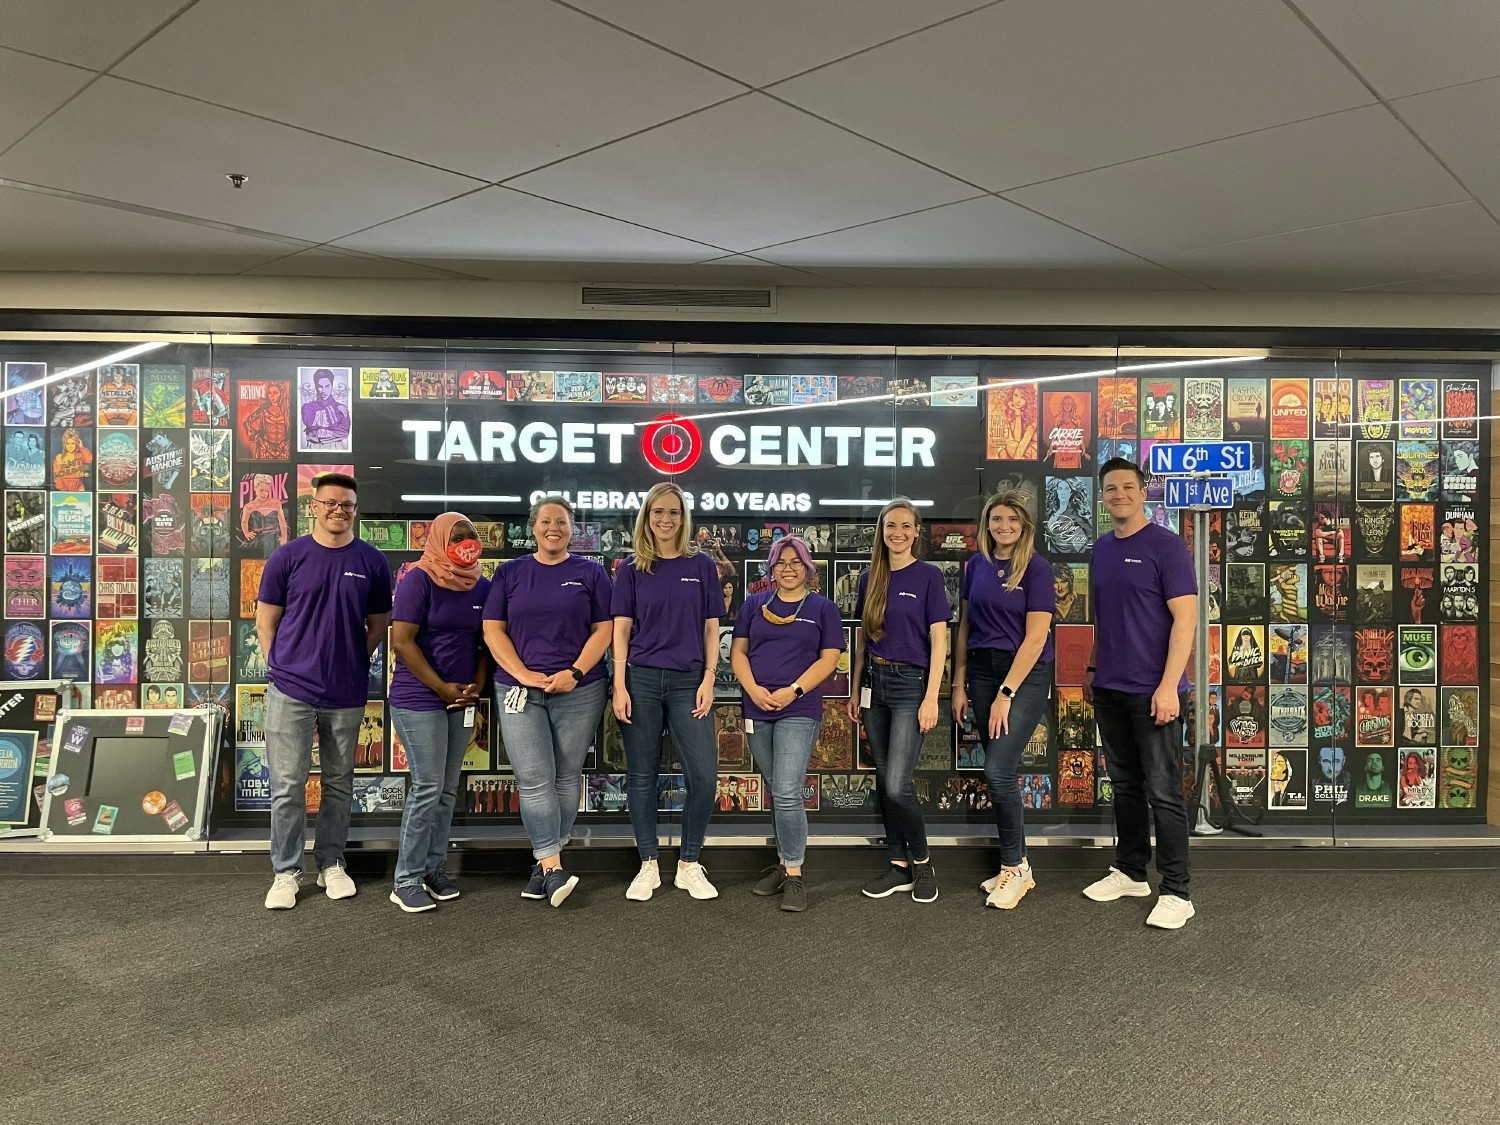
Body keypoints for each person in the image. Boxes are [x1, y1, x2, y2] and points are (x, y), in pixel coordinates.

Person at [257, 472, 392, 910]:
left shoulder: (371, 561)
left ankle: (332, 862)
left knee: (338, 783)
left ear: (355, 510)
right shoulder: (288, 556)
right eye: (330, 503)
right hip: (291, 689)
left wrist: (355, 657)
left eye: (347, 505)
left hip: (347, 690)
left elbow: (378, 623)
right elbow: (266, 620)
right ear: (314, 506)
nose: (339, 510)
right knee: (288, 785)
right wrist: (279, 666)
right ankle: (286, 872)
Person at [1082, 457, 1198, 930]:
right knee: (1126, 786)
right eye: (1111, 489)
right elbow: (1105, 618)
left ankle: (1177, 891)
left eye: (1127, 487)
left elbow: (1185, 620)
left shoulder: (1167, 547)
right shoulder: (1101, 548)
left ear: (1143, 492)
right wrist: (1092, 668)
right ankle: (1131, 871)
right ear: (1103, 496)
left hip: (1156, 692)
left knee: (1165, 793)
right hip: (1110, 686)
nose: (1119, 495)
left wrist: (1169, 685)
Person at [483, 495, 611, 908]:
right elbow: (492, 630)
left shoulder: (591, 573)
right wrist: (523, 674)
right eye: (545, 521)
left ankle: (542, 866)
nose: (553, 528)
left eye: (562, 522)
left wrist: (573, 673)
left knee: (565, 777)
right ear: (532, 527)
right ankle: (554, 868)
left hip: (581, 688)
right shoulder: (510, 573)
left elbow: (604, 630)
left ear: (572, 529)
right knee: (535, 778)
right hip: (519, 689)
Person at [610, 482, 726, 903]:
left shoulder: (703, 565)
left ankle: (689, 864)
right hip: (640, 679)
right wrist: (619, 684)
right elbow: (620, 629)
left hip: (688, 682)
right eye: (658, 511)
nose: (665, 519)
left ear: (684, 517)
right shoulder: (631, 568)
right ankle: (648, 865)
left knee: (704, 776)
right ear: (646, 516)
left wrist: (710, 678)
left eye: (674, 512)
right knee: (642, 776)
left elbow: (712, 627)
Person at [950, 492, 1055, 910]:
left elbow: (1035, 639)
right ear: (986, 523)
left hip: (1023, 674)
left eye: (1012, 519)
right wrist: (958, 684)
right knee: (1003, 773)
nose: (1004, 526)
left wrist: (1006, 694)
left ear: (1024, 524)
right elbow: (964, 628)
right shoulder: (974, 565)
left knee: (997, 769)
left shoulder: (1037, 568)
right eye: (996, 519)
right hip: (979, 670)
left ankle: (1012, 867)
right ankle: (1019, 867)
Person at [731, 535, 844, 912]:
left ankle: (794, 875)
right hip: (758, 707)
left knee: (786, 790)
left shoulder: (823, 608)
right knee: (775, 787)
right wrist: (754, 690)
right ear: (771, 568)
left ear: (808, 567)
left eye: (796, 562)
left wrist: (792, 691)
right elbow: (739, 653)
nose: (789, 569)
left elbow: (829, 661)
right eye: (781, 562)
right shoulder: (753, 605)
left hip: (799, 708)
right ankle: (782, 864)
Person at [847, 499, 950, 904]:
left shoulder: (928, 576)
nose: (898, 533)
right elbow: (861, 641)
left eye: (906, 526)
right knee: (885, 781)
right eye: (891, 526)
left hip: (911, 685)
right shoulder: (869, 576)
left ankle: (923, 863)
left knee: (896, 784)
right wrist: (855, 690)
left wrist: (931, 698)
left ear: (916, 531)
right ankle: (897, 865)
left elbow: (940, 641)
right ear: (882, 530)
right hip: (875, 685)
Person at [386, 513, 490, 912]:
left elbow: (484, 643)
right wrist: (441, 687)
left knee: (447, 790)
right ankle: (406, 879)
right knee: (428, 786)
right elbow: (402, 640)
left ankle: (433, 868)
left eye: (471, 536)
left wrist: (476, 686)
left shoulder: (482, 584)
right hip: (419, 698)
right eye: (457, 536)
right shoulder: (419, 578)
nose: (465, 543)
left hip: (461, 699)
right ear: (439, 539)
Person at [240, 473, 289, 557]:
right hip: (255, 541)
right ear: (255, 488)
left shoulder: (276, 503)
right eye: (261, 490)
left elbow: (282, 521)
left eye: (267, 491)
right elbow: (244, 521)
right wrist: (246, 533)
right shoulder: (249, 506)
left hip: (274, 539)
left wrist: (284, 537)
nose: (264, 494)